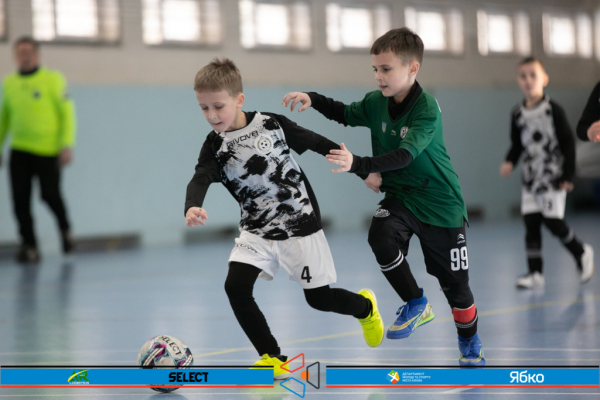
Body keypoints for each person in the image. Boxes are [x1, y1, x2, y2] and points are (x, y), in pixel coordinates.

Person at [282, 28, 485, 366]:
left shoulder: (426, 108)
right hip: (402, 197)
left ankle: (470, 341)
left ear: (413, 68)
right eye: (375, 69)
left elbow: (404, 155)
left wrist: (359, 165)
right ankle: (416, 303)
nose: (378, 76)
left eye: (386, 69)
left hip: (441, 204)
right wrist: (313, 98)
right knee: (380, 235)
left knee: (456, 288)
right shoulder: (376, 102)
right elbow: (344, 113)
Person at [184, 58, 384, 379]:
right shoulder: (215, 145)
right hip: (256, 230)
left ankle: (365, 308)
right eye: (203, 108)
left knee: (319, 299)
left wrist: (362, 170)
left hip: (300, 225)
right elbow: (201, 176)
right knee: (236, 287)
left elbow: (315, 142)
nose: (211, 115)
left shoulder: (270, 124)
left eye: (218, 106)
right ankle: (273, 356)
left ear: (239, 99)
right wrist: (192, 205)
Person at [499, 57, 594, 288]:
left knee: (553, 222)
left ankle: (581, 251)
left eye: (533, 75)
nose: (528, 80)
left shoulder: (553, 110)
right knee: (530, 223)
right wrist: (510, 161)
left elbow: (568, 143)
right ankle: (535, 274)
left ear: (544, 79)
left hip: (553, 177)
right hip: (530, 179)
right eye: (523, 76)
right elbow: (517, 144)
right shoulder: (517, 114)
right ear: (518, 81)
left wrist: (568, 175)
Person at [0, 36, 76, 263]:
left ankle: (65, 230)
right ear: (15, 57)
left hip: (47, 151)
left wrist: (67, 144)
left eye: (29, 52)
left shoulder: (53, 79)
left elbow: (67, 114)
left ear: (37, 55)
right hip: (19, 150)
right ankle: (29, 245)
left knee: (49, 195)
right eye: (20, 52)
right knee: (20, 201)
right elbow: (4, 118)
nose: (25, 56)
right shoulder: (9, 83)